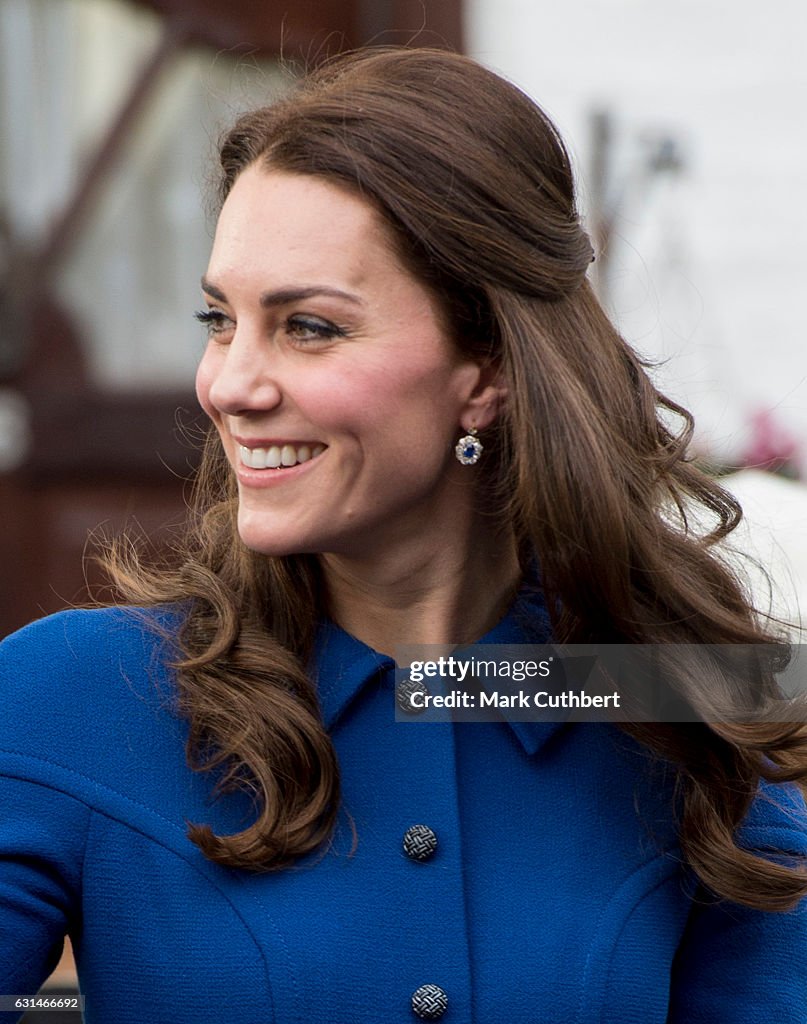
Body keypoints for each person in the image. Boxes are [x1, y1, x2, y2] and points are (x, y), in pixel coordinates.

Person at [1, 46, 806, 1024]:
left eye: (309, 327)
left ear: (486, 368)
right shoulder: (73, 697)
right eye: (221, 319)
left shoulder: (681, 704)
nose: (229, 384)